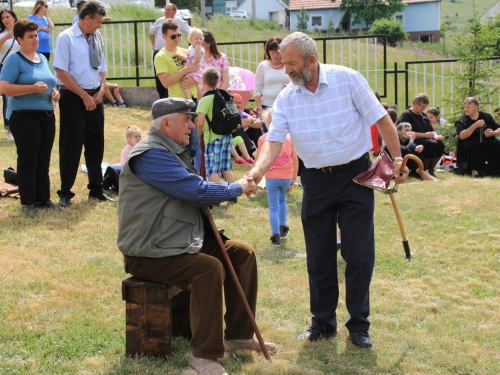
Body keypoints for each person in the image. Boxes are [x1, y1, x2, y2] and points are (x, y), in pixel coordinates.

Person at [246, 32, 408, 348]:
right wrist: (256, 171)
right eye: (283, 62)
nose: (286, 69)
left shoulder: (348, 80)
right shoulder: (286, 98)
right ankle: (322, 323)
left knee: (358, 255)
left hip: (356, 176)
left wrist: (397, 158)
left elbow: (381, 120)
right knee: (319, 256)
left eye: (291, 63)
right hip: (316, 181)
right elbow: (275, 140)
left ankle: (359, 325)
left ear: (311, 59)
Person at [117, 97, 276, 375]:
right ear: (166, 123)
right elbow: (196, 191)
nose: (193, 125)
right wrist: (237, 187)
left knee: (242, 254)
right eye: (187, 119)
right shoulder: (150, 154)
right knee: (207, 269)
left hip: (175, 242)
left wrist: (230, 188)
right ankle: (203, 357)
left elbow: (195, 191)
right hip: (148, 251)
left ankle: (237, 336)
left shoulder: (172, 149)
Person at [53, 1, 114, 207]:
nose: (100, 26)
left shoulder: (96, 38)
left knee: (96, 143)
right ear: (87, 18)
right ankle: (65, 192)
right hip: (72, 97)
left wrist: (100, 90)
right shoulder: (66, 38)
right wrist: (83, 96)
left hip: (95, 96)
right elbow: (61, 72)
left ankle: (96, 189)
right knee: (71, 144)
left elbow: (102, 69)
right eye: (98, 21)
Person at [0, 19, 60, 217]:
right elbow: (4, 87)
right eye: (30, 36)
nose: (35, 39)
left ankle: (43, 198)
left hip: (46, 115)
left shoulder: (42, 58)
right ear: (19, 39)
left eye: (36, 35)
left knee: (43, 158)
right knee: (28, 158)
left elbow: (52, 82)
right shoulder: (14, 60)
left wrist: (55, 92)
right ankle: (27, 202)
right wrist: (32, 89)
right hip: (23, 116)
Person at [154, 18, 200, 172]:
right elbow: (166, 82)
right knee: (183, 140)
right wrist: (185, 71)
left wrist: (192, 80)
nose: (177, 39)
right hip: (178, 104)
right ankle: (182, 168)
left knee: (195, 140)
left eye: (179, 35)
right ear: (164, 37)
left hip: (193, 100)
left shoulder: (186, 52)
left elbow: (198, 72)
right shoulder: (160, 56)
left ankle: (191, 167)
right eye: (173, 36)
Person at [257, 109, 298, 246]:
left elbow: (259, 161)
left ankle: (275, 236)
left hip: (272, 177)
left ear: (268, 122)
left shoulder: (263, 139)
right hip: (287, 176)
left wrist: (258, 177)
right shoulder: (289, 138)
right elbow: (295, 159)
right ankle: (283, 229)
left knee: (273, 206)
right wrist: (294, 178)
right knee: (282, 201)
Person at [196, 67, 236, 184]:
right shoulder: (223, 95)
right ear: (218, 81)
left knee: (212, 169)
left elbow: (201, 121)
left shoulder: (205, 100)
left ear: (203, 81)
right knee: (226, 167)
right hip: (227, 136)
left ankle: (215, 196)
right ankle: (233, 193)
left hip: (213, 138)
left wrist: (199, 134)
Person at [149, 2, 190, 99]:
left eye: (178, 35)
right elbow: (151, 31)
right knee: (160, 84)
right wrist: (153, 44)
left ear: (175, 12)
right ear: (164, 36)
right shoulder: (159, 21)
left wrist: (195, 47)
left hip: (174, 54)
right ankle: (163, 102)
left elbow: (190, 31)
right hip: (159, 52)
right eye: (165, 9)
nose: (166, 12)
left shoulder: (179, 22)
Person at [397, 93, 445, 176]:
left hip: (426, 139)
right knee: (431, 144)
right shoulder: (407, 115)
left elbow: (430, 130)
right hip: (412, 140)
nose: (423, 109)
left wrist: (436, 136)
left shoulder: (424, 116)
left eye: (425, 107)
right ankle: (422, 170)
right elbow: (406, 132)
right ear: (416, 103)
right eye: (422, 107)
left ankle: (430, 168)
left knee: (440, 145)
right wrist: (424, 135)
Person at [455, 97, 500, 178]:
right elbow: (461, 136)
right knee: (472, 146)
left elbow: (498, 128)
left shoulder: (486, 116)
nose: (466, 109)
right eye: (465, 107)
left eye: (468, 107)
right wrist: (475, 125)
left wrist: (493, 133)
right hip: (471, 142)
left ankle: (494, 170)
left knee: (497, 144)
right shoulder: (463, 120)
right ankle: (474, 171)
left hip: (487, 141)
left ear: (476, 108)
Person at [254, 36, 290, 117]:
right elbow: (257, 90)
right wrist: (261, 110)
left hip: (286, 106)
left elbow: (297, 83)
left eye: (278, 52)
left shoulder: (289, 65)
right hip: (267, 107)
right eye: (272, 52)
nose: (275, 56)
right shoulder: (263, 66)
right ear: (268, 52)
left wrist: (289, 87)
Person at [0, 9, 20, 141]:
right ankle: (9, 130)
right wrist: (6, 37)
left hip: (20, 69)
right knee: (7, 99)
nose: (5, 20)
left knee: (19, 98)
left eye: (7, 17)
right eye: (3, 18)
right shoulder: (1, 34)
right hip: (5, 69)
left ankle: (20, 127)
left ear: (14, 18)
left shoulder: (21, 32)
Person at [175, 28, 204, 100]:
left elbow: (197, 59)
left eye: (200, 39)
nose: (199, 41)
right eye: (196, 38)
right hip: (190, 68)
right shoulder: (190, 48)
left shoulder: (201, 49)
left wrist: (197, 50)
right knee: (184, 83)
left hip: (195, 70)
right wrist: (180, 56)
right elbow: (188, 58)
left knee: (184, 83)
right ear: (190, 40)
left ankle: (189, 99)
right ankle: (190, 99)